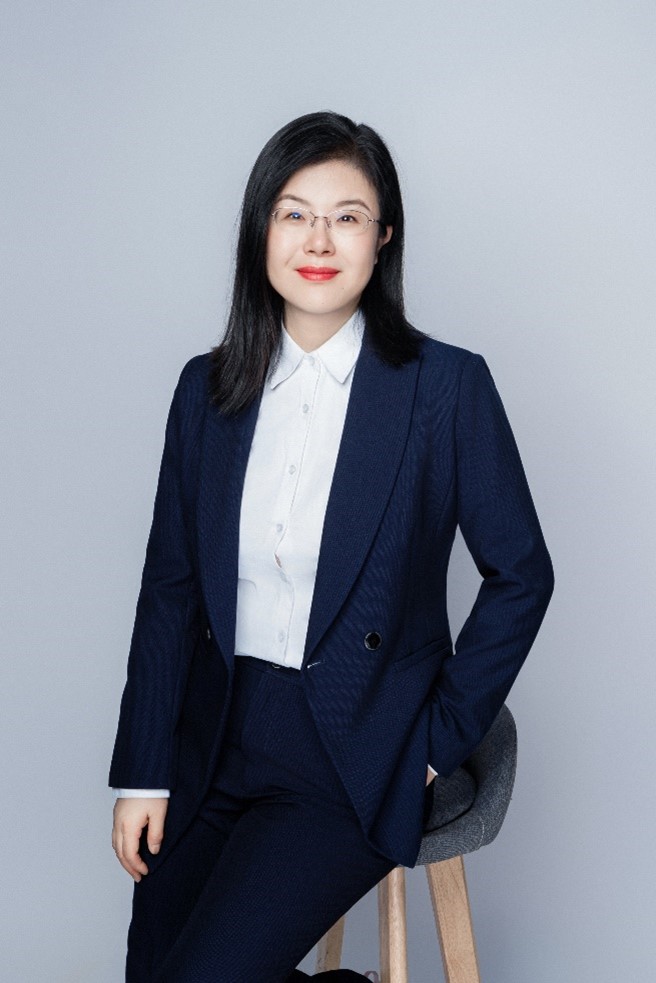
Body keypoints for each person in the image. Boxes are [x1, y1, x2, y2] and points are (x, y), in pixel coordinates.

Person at [109, 111, 554, 982]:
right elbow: (170, 590)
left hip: (352, 750)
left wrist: (432, 742)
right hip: (215, 739)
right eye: (294, 213)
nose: (319, 240)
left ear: (382, 238)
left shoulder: (445, 387)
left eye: (347, 217)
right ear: (261, 230)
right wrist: (143, 773)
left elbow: (522, 574)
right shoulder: (207, 390)